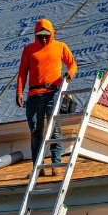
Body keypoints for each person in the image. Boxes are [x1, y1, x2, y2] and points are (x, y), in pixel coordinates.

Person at [16, 18, 77, 178]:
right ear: (36, 35)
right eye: (40, 35)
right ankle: (38, 167)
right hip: (34, 95)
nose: (43, 38)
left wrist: (70, 74)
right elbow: (22, 72)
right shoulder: (29, 49)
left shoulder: (60, 46)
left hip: (53, 93)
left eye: (46, 35)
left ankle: (56, 165)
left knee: (54, 129)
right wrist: (19, 92)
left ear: (51, 34)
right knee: (36, 132)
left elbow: (72, 64)